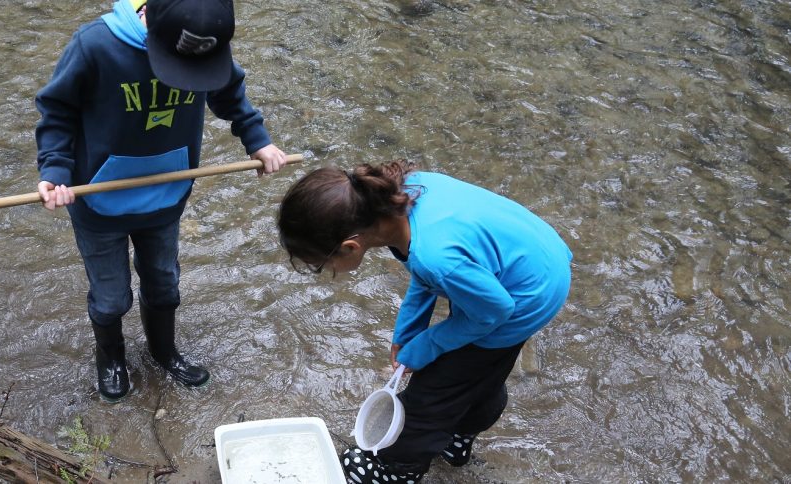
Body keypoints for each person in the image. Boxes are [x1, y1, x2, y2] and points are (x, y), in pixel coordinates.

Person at [35, 0, 288, 402]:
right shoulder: (95, 45)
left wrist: (257, 140)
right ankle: (111, 356)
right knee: (111, 295)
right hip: (100, 199)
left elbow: (228, 92)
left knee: (165, 282)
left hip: (166, 194)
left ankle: (163, 351)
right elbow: (57, 109)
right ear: (149, 19)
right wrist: (54, 170)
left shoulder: (206, 37)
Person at [277, 161, 572, 483]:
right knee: (475, 374)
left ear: (350, 246)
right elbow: (426, 276)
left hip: (524, 297)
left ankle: (397, 469)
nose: (326, 271)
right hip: (534, 257)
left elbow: (493, 311)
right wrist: (407, 333)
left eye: (322, 264)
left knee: (431, 394)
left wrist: (427, 346)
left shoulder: (436, 256)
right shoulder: (401, 197)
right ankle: (457, 437)